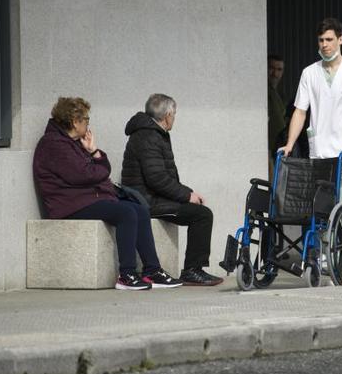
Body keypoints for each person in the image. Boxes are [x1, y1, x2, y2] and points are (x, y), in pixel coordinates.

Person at [32, 97, 182, 291]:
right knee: (126, 213)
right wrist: (96, 162)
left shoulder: (72, 143)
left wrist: (93, 151)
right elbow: (86, 175)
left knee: (139, 209)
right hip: (68, 205)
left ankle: (152, 270)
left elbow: (100, 170)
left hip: (83, 200)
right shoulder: (53, 144)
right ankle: (126, 275)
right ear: (75, 121)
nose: (88, 124)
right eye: (86, 119)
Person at [281, 17, 342, 283]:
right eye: (321, 40)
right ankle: (326, 256)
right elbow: (300, 111)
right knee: (321, 210)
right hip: (320, 152)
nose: (325, 45)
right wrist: (289, 144)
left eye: (330, 40)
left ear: (340, 40)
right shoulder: (310, 72)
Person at [121, 94, 224, 286]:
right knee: (202, 215)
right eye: (174, 114)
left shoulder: (152, 133)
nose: (174, 118)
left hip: (154, 197)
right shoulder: (148, 136)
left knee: (199, 210)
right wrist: (186, 195)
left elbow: (162, 176)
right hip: (147, 201)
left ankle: (194, 269)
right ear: (167, 115)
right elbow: (156, 179)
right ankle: (193, 270)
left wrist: (188, 193)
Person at [267, 54, 287, 156]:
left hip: (278, 148)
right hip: (266, 148)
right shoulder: (264, 91)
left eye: (279, 69)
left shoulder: (279, 94)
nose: (275, 73)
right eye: (271, 68)